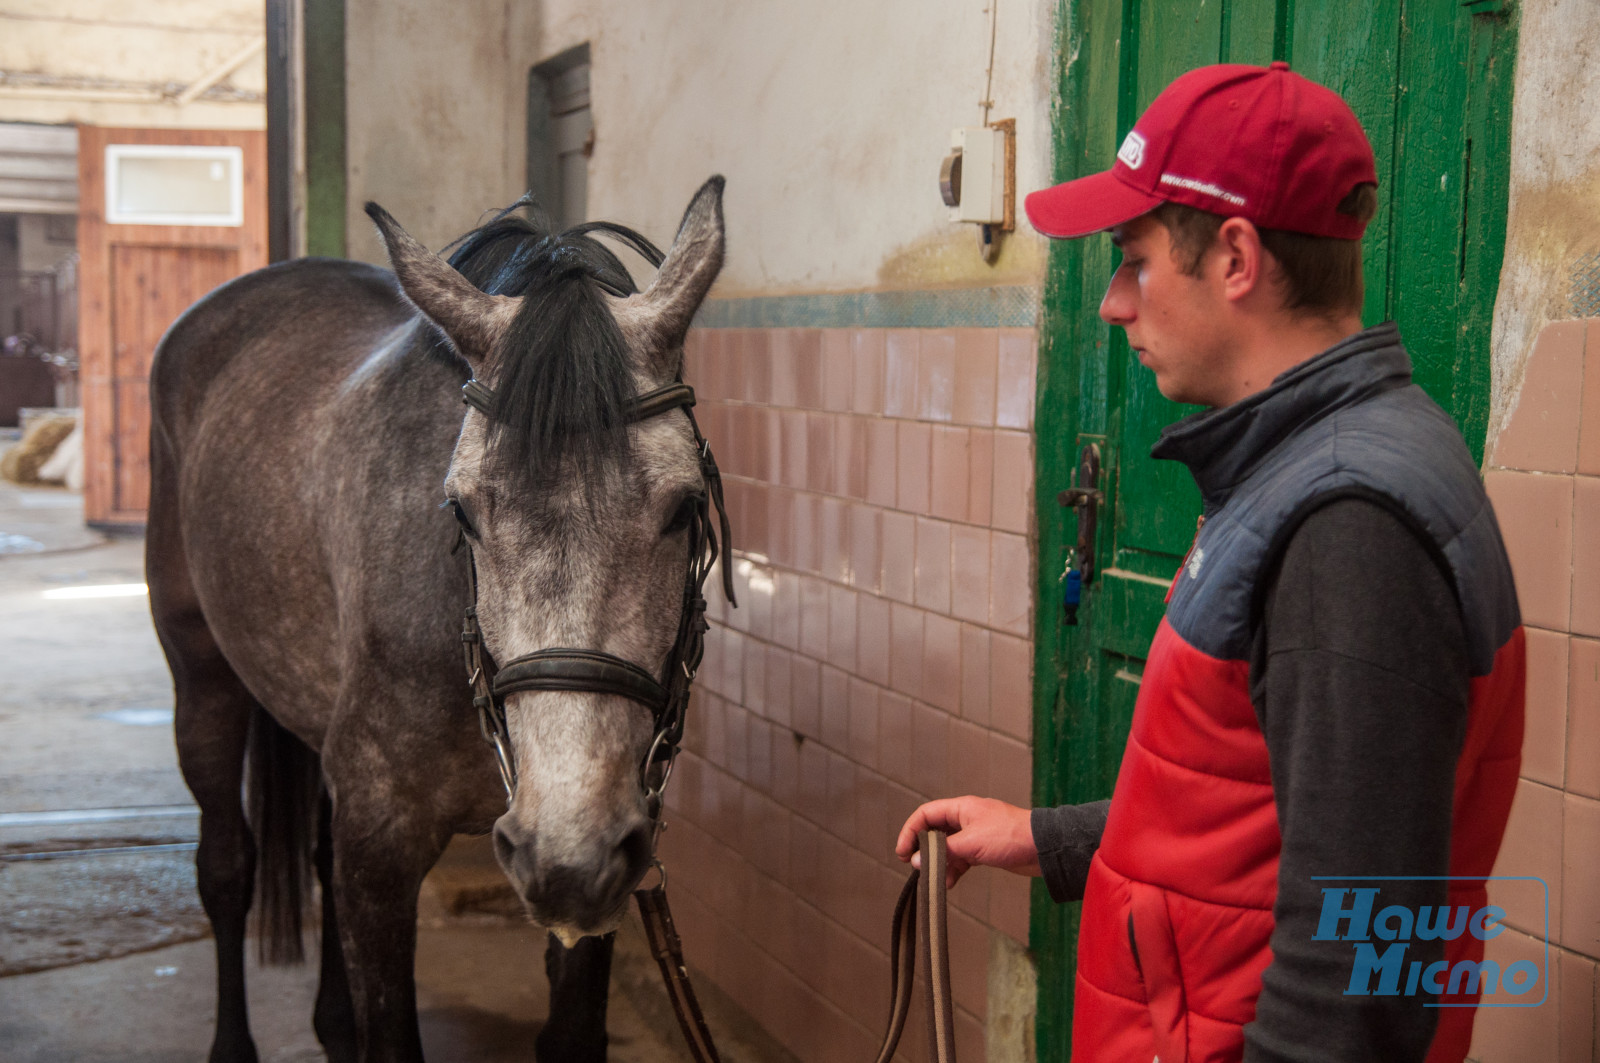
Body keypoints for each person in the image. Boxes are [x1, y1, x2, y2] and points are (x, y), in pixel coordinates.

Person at [895, 62, 1525, 1063]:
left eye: (1133, 259)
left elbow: (1351, 986)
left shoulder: (1348, 526)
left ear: (1235, 256)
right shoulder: (1307, 469)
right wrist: (1043, 837)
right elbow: (1265, 803)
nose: (1110, 303)